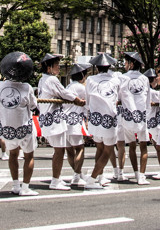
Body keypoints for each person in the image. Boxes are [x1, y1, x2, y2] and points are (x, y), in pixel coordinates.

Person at [0, 52, 39, 196]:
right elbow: (33, 107)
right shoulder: (27, 88)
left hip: (7, 127)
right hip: (23, 127)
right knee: (28, 156)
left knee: (13, 154)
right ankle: (25, 187)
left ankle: (15, 185)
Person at [36, 53, 85, 190]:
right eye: (56, 65)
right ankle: (55, 180)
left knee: (61, 150)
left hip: (48, 118)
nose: (58, 67)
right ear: (49, 67)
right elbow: (64, 93)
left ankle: (57, 178)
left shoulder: (42, 80)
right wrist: (77, 100)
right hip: (53, 119)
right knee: (59, 151)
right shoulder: (51, 80)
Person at [84, 53, 121, 189]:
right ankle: (92, 179)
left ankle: (99, 176)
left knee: (99, 149)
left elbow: (87, 100)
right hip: (109, 118)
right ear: (109, 66)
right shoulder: (116, 79)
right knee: (107, 150)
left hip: (95, 118)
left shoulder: (90, 80)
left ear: (97, 67)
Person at [116, 51, 151, 184]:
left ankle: (136, 172)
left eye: (126, 62)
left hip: (127, 117)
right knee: (143, 147)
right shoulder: (145, 79)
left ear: (131, 64)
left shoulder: (123, 78)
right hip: (141, 116)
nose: (125, 64)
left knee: (131, 146)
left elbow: (119, 97)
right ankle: (141, 176)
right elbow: (147, 101)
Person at [64, 63, 90, 186]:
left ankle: (77, 173)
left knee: (69, 150)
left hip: (65, 120)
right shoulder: (81, 88)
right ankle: (76, 175)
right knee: (79, 149)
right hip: (75, 120)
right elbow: (88, 104)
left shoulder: (68, 87)